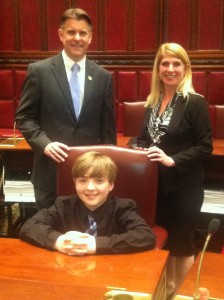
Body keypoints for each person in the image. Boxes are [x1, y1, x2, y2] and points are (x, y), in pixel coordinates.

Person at [16, 8, 116, 210]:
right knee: (50, 236)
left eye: (83, 33)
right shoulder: (39, 71)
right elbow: (24, 118)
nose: (77, 38)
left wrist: (106, 172)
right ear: (61, 34)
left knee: (86, 237)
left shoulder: (103, 77)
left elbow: (107, 132)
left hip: (90, 181)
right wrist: (45, 144)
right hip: (49, 174)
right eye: (71, 32)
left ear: (90, 37)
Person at [135, 43, 213, 298]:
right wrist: (136, 147)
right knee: (163, 241)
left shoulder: (194, 102)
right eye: (164, 63)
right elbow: (145, 139)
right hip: (156, 186)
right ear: (158, 69)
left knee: (182, 244)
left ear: (185, 68)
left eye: (176, 64)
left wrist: (173, 160)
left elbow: (205, 147)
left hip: (184, 186)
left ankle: (174, 293)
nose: (170, 69)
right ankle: (163, 290)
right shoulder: (152, 102)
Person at [19, 151, 156, 255]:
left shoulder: (123, 208)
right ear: (75, 182)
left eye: (99, 181)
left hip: (112, 271)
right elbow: (29, 226)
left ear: (111, 185)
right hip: (69, 270)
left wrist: (94, 244)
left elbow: (145, 236)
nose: (90, 188)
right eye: (83, 180)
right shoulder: (63, 205)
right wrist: (59, 241)